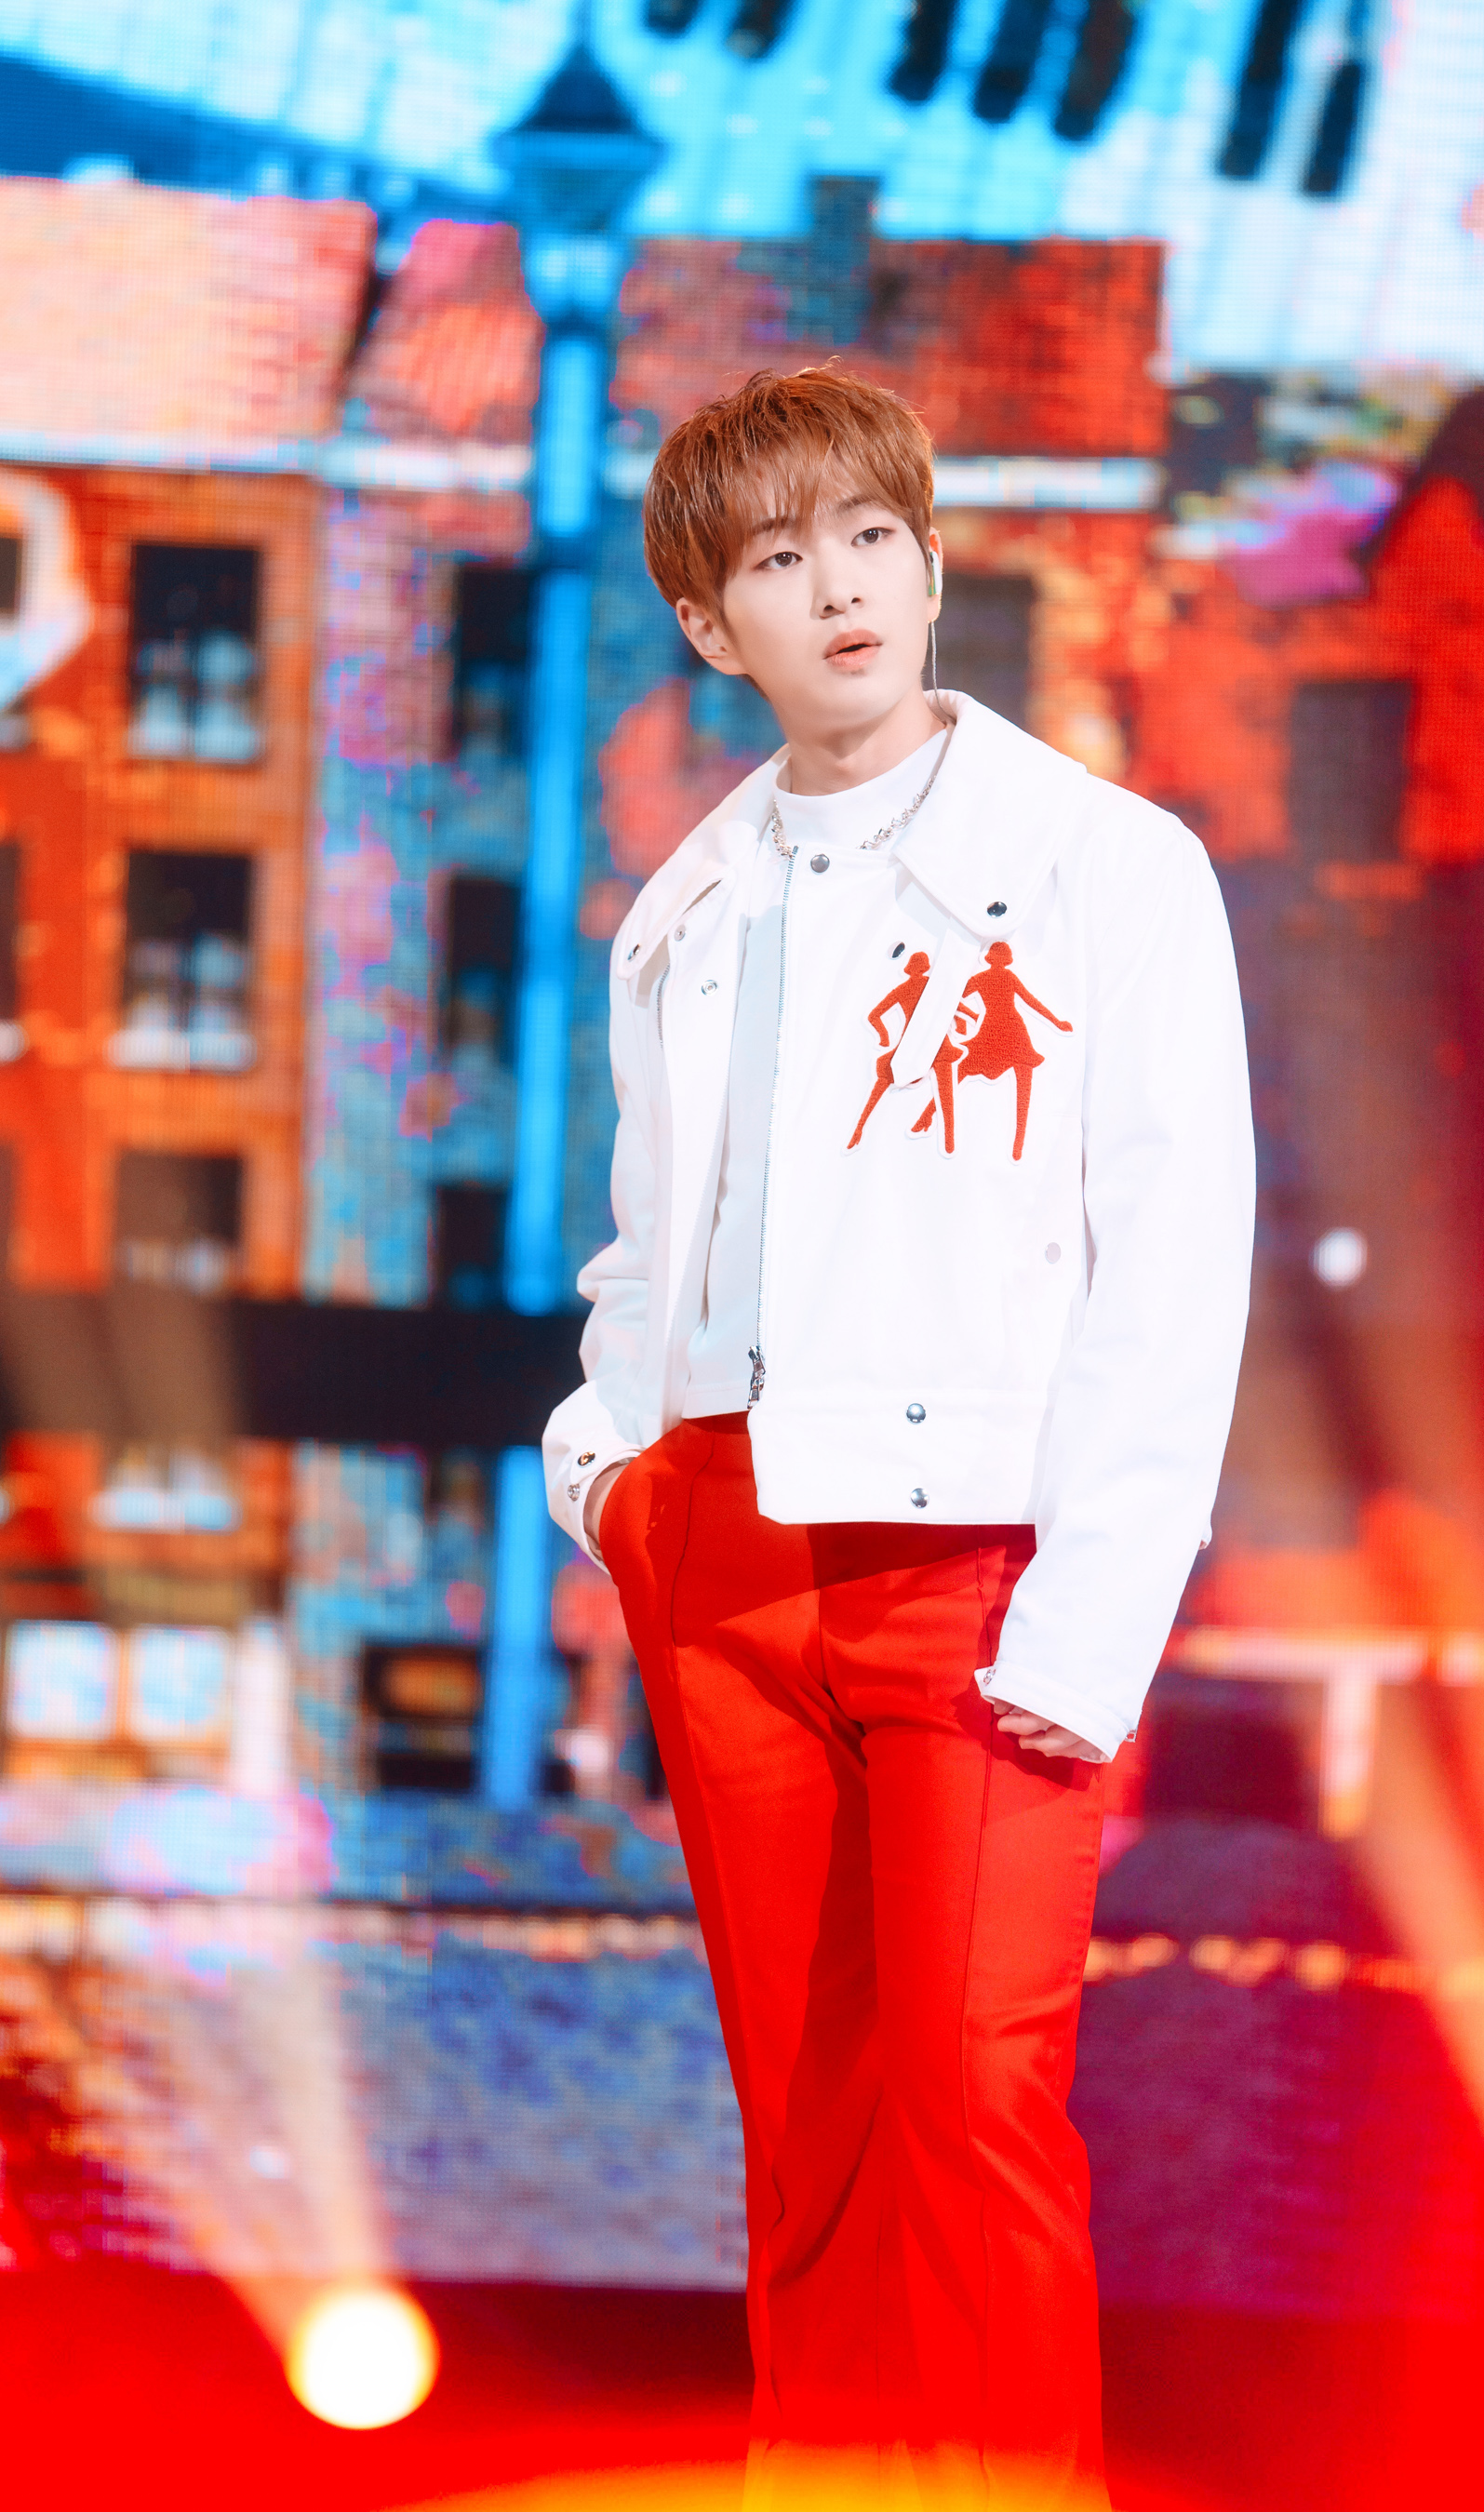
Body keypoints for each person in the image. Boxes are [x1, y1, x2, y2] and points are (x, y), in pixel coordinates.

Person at [542, 365, 1255, 2507]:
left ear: (933, 564)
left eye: (871, 538)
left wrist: (1090, 1619)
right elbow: (652, 1254)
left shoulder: (1106, 866)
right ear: (710, 624)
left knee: (972, 2098)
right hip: (726, 1553)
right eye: (780, 559)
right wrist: (613, 1479)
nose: (840, 587)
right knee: (813, 2126)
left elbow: (1175, 1260)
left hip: (977, 1563)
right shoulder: (683, 911)